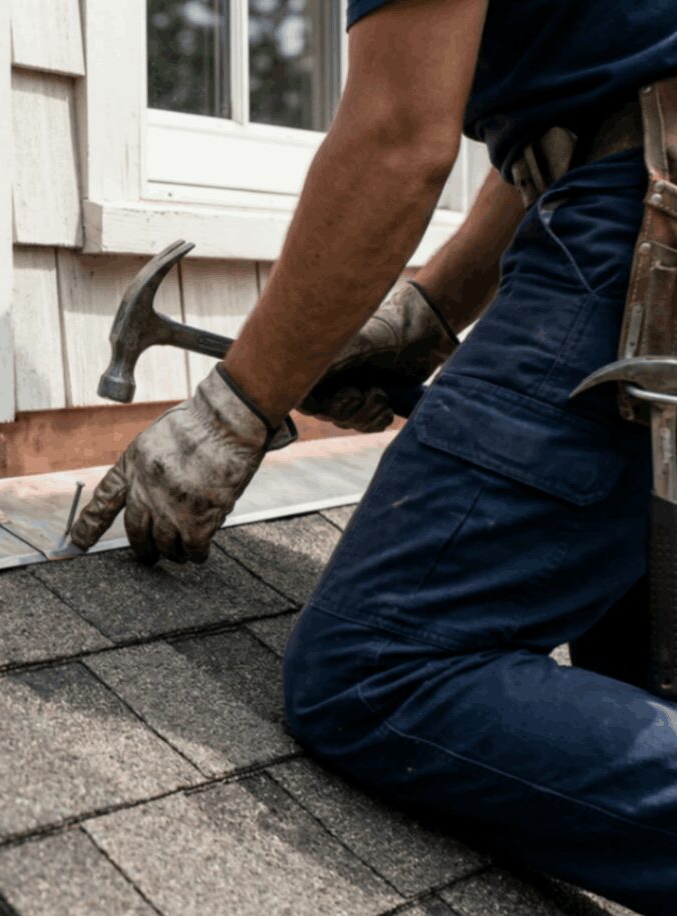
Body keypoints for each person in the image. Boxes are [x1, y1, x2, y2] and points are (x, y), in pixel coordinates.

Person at [70, 1, 677, 909]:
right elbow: (590, 108)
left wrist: (232, 411)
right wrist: (430, 310)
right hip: (634, 188)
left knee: (380, 667)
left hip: (641, 223)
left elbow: (399, 137)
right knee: (634, 675)